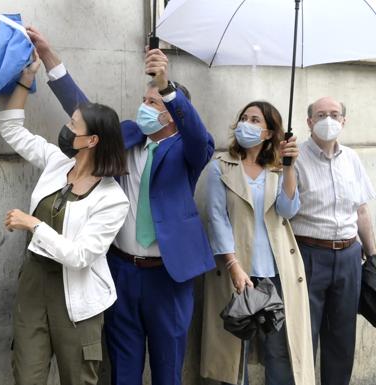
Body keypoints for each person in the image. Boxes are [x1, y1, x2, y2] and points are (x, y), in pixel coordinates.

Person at [26, 27, 215, 385]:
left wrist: (168, 86)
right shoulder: (128, 135)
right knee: (123, 365)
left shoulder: (190, 150)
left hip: (168, 276)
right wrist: (50, 57)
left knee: (167, 366)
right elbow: (83, 109)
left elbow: (197, 136)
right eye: (145, 100)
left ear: (173, 112)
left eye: (155, 102)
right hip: (121, 270)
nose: (145, 107)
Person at [0, 53, 130, 385]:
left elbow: (81, 256)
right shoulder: (58, 162)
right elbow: (11, 129)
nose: (66, 129)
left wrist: (33, 224)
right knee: (26, 376)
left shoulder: (112, 199)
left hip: (77, 297)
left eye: (74, 125)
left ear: (92, 140)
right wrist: (26, 79)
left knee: (78, 378)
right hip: (33, 283)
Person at [201, 101, 315, 385]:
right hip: (237, 270)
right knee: (235, 351)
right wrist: (233, 266)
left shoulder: (279, 170)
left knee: (280, 349)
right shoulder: (221, 167)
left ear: (268, 133)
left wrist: (289, 168)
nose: (246, 124)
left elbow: (288, 211)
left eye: (255, 120)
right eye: (244, 118)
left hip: (277, 271)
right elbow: (216, 219)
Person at [291, 96, 376, 385]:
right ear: (309, 121)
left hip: (350, 255)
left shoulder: (351, 158)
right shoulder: (295, 158)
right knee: (305, 334)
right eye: (320, 114)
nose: (328, 120)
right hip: (309, 254)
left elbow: (361, 210)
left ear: (343, 120)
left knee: (341, 335)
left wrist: (372, 254)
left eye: (334, 114)